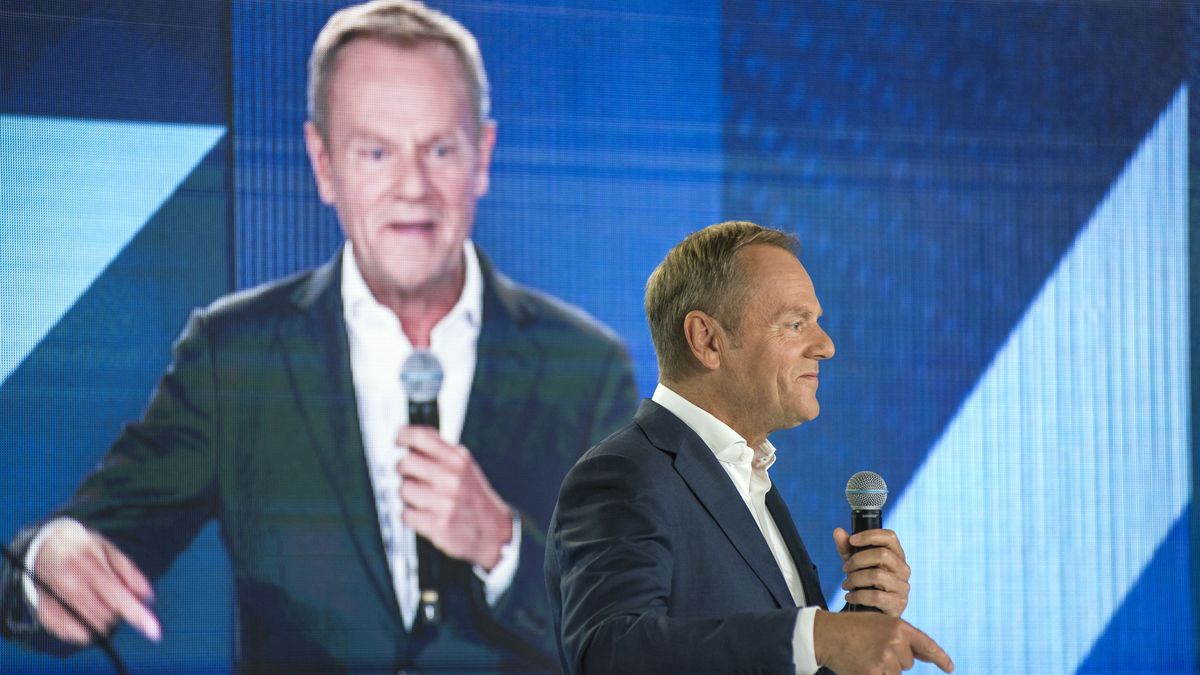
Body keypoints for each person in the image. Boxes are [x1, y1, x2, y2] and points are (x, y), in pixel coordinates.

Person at [0, 1, 637, 672]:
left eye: (439, 149)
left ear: (482, 156)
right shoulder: (235, 358)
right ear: (324, 163)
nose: (411, 187)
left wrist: (502, 544)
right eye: (376, 151)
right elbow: (74, 547)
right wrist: (50, 563)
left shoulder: (586, 367)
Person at [546, 221, 954, 675]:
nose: (826, 346)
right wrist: (816, 635)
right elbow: (610, 652)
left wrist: (855, 630)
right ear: (707, 340)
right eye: (795, 324)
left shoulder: (748, 478)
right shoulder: (623, 474)